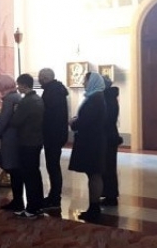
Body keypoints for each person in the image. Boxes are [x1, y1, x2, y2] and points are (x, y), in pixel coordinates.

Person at [69, 72, 107, 221]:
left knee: (94, 174)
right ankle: (94, 206)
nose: (83, 84)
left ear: (92, 82)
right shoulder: (96, 97)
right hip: (94, 140)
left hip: (92, 142)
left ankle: (94, 207)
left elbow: (86, 121)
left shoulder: (94, 99)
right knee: (93, 174)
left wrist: (74, 123)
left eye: (85, 81)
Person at [10, 73, 45, 218]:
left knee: (28, 175)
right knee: (35, 174)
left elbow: (15, 121)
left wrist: (13, 112)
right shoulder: (38, 99)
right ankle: (38, 205)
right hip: (36, 141)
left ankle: (31, 208)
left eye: (19, 85)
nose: (17, 88)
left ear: (24, 85)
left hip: (26, 141)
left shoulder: (26, 102)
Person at [38, 68, 69, 210]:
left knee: (53, 166)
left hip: (53, 134)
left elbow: (49, 115)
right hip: (57, 133)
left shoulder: (52, 92)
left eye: (40, 78)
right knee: (53, 166)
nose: (38, 80)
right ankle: (53, 196)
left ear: (45, 78)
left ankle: (55, 198)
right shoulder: (57, 89)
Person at [0, 75, 23, 212]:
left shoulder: (9, 99)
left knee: (13, 170)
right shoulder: (18, 97)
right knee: (17, 170)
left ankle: (17, 201)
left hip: (10, 138)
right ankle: (18, 200)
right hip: (19, 137)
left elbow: (4, 119)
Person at [101, 76, 122, 206]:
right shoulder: (110, 96)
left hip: (108, 137)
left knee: (108, 167)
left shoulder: (107, 98)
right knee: (107, 166)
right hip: (109, 136)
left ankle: (111, 195)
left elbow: (105, 119)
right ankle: (108, 193)